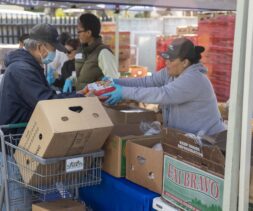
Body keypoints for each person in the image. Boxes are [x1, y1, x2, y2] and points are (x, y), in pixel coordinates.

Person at [103, 37, 225, 136]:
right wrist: (117, 82)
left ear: (185, 62)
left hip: (208, 141)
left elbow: (162, 94)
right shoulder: (171, 72)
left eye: (171, 60)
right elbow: (146, 82)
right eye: (166, 59)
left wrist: (123, 92)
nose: (166, 63)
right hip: (187, 139)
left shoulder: (193, 79)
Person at [0, 23, 84, 130]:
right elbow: (46, 102)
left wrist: (77, 94)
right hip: (18, 135)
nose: (54, 52)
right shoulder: (22, 70)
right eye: (53, 49)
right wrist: (80, 98)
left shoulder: (27, 66)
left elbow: (45, 96)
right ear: (40, 47)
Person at [71, 13, 119, 92]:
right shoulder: (82, 50)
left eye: (79, 31)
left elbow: (113, 80)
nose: (78, 35)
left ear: (88, 33)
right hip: (83, 99)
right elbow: (82, 74)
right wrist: (72, 79)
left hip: (97, 100)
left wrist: (92, 87)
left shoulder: (103, 52)